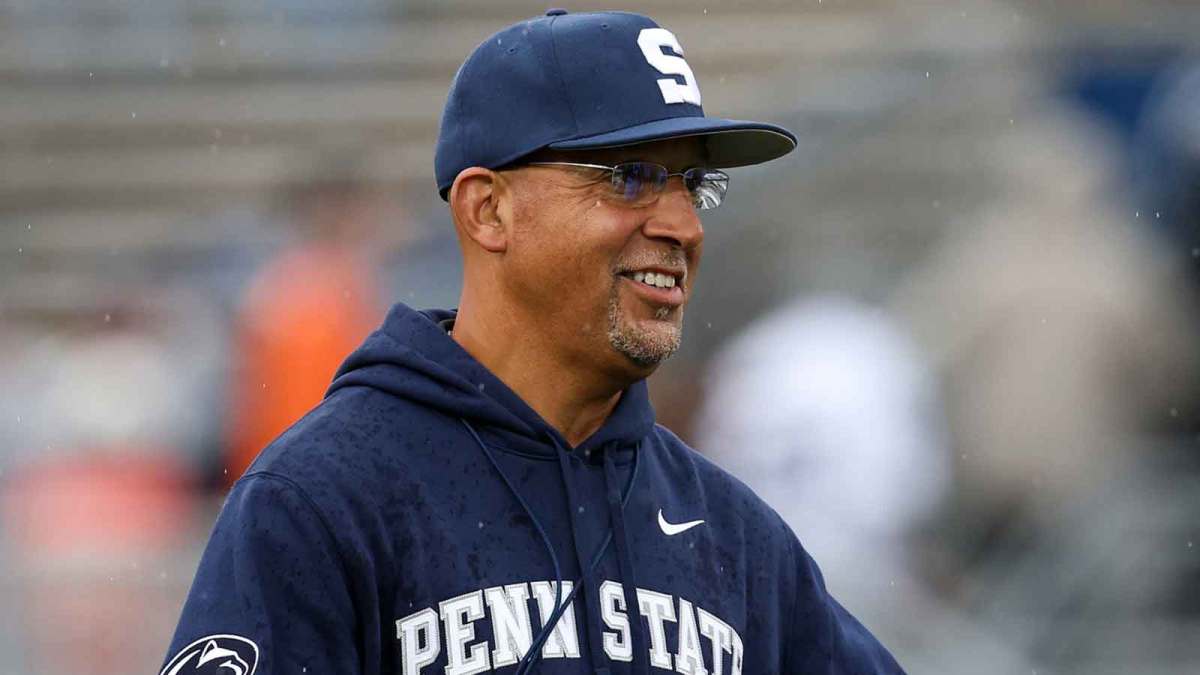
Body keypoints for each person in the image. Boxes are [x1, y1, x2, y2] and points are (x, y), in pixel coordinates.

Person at [161, 10, 903, 675]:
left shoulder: (735, 537)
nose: (684, 225)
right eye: (631, 177)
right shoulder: (324, 500)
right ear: (488, 210)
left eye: (694, 184)